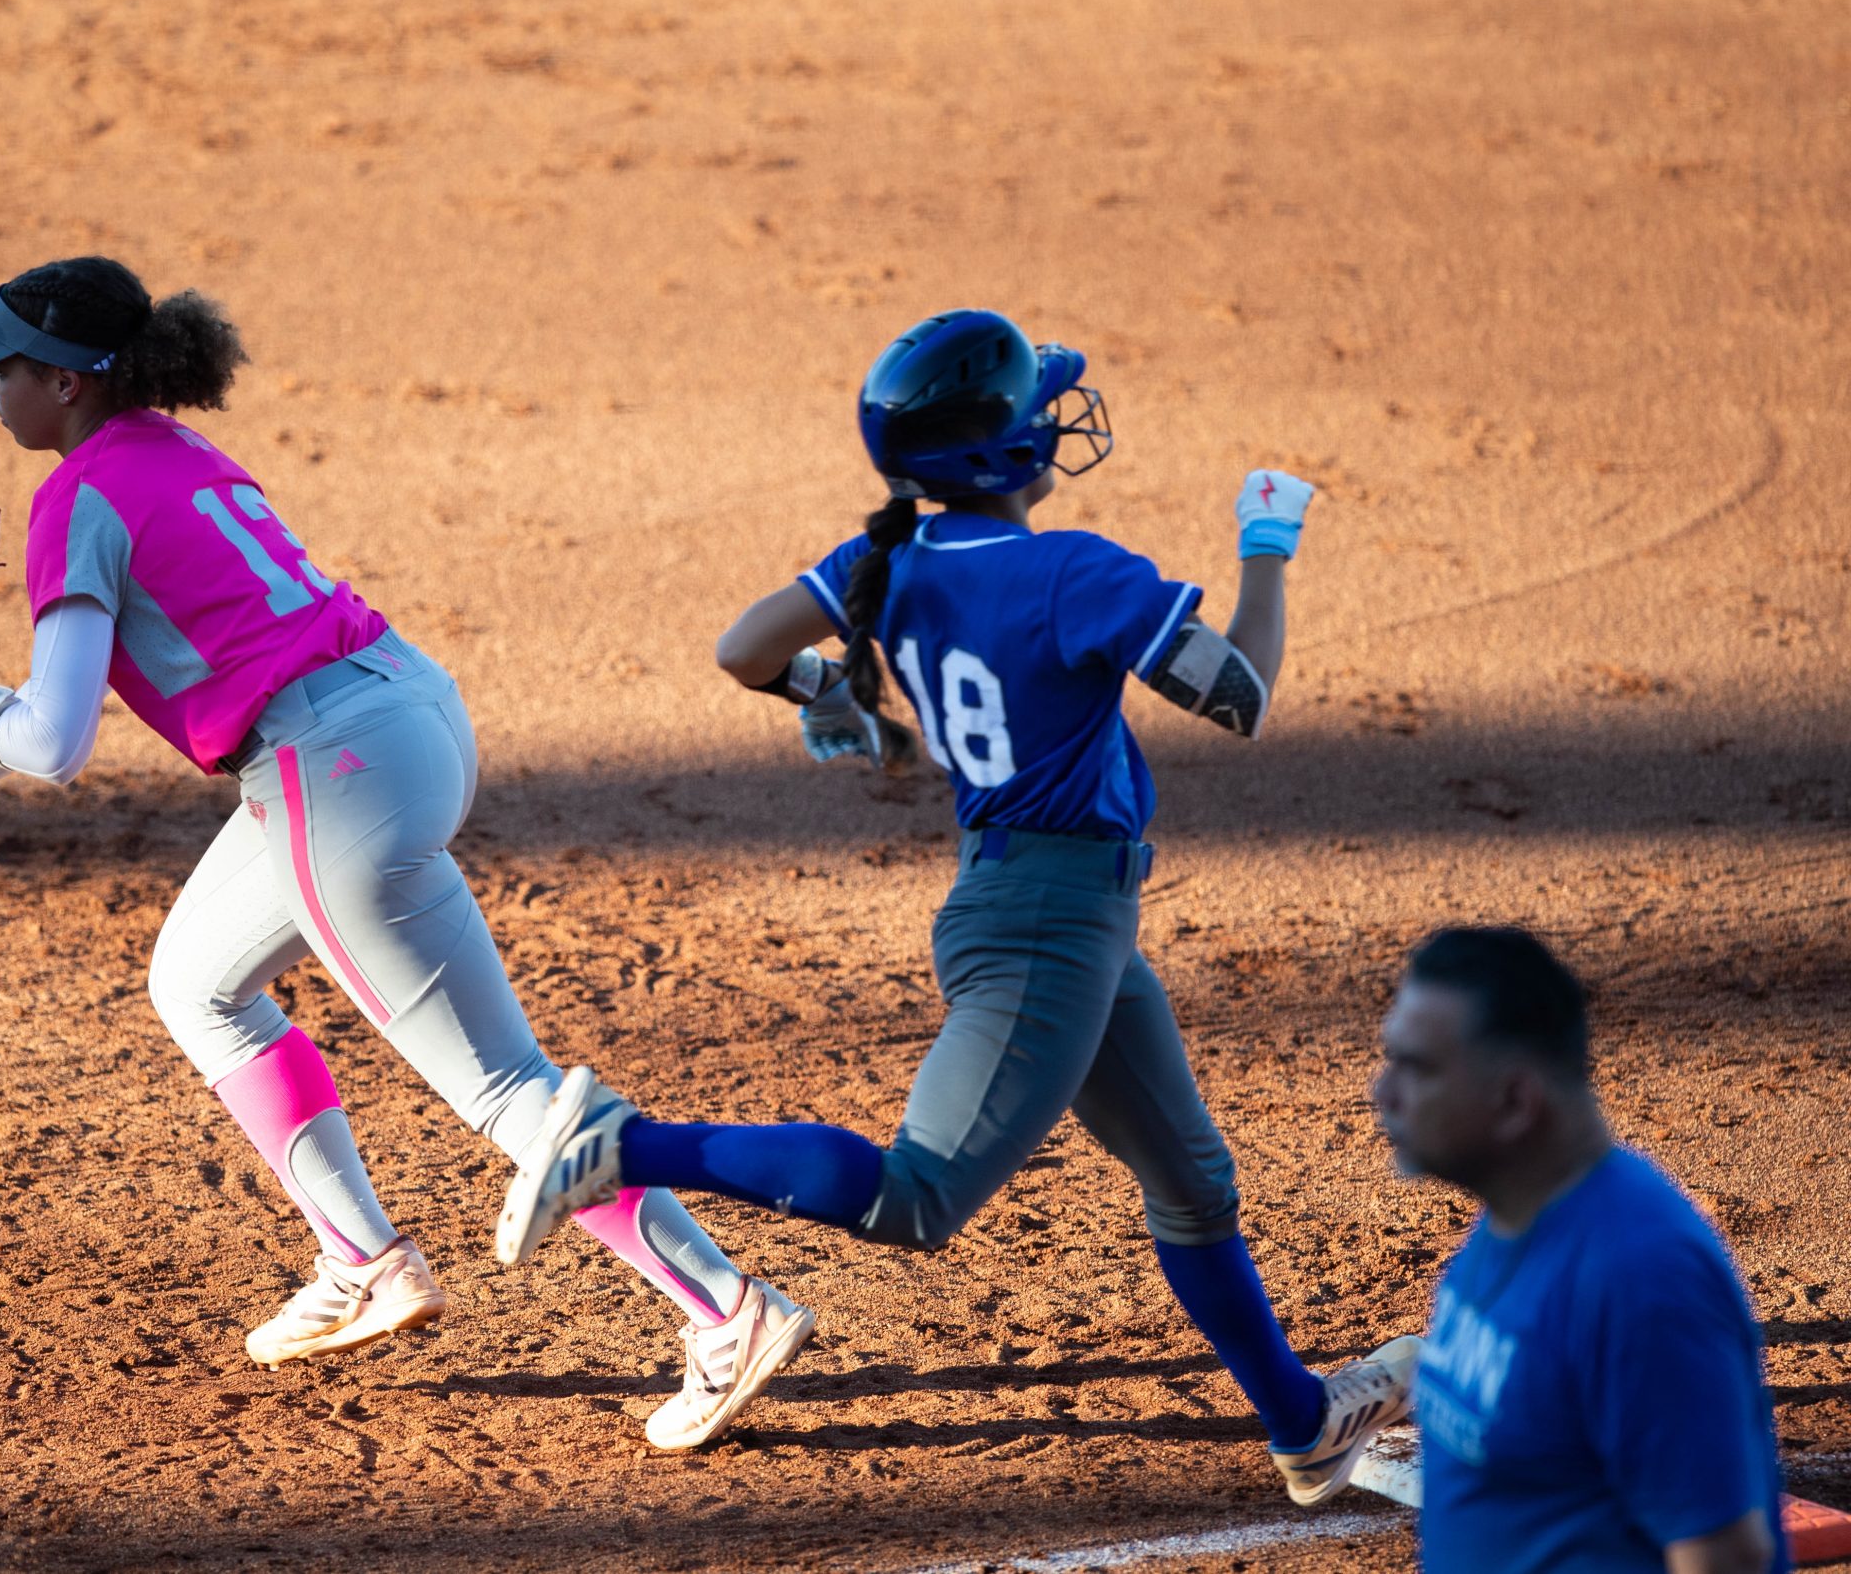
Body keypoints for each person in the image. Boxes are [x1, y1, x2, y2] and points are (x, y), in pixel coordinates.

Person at [0, 255, 814, 1449]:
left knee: (502, 1084)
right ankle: (363, 1258)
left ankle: (725, 1308)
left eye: (6, 367)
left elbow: (55, 741)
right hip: (401, 716)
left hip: (327, 770)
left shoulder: (74, 500)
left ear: (72, 382)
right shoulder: (167, 456)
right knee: (196, 982)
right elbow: (51, 701)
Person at [493, 308, 1416, 1501]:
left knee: (1192, 1184)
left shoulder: (888, 563)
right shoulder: (1071, 571)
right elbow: (1237, 695)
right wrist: (1267, 546)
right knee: (915, 1200)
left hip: (1051, 917)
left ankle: (1304, 1425)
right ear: (1000, 455)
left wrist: (835, 695)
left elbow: (743, 648)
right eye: (1033, 405)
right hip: (1045, 931)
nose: (1049, 415)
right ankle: (622, 1148)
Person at [1375, 926, 1787, 1573]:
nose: (1384, 1093)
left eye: (1418, 1068)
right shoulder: (1511, 1217)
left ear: (1515, 1100)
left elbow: (1725, 1557)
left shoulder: (1640, 1279)